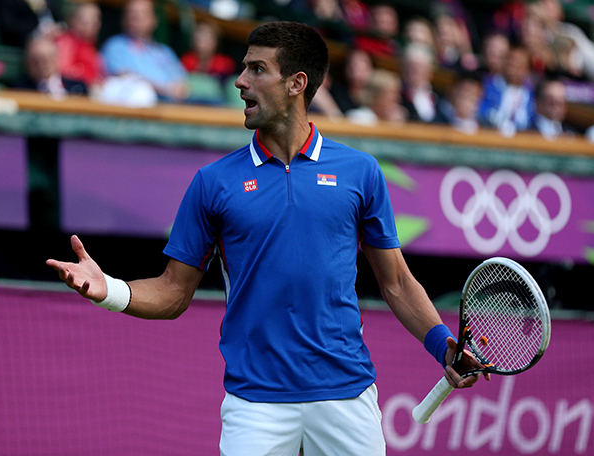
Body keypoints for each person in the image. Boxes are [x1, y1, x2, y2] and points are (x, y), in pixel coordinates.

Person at [47, 21, 487, 455]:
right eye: (243, 68)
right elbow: (172, 292)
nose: (240, 81)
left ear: (297, 83)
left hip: (346, 395)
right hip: (254, 404)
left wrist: (442, 345)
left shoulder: (362, 172)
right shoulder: (213, 183)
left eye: (257, 69)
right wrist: (111, 291)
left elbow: (397, 283)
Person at [100, 0, 188, 103]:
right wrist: (165, 90)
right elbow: (125, 78)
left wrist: (178, 90)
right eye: (131, 13)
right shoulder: (115, 46)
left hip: (174, 106)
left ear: (154, 19)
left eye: (142, 14)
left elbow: (183, 83)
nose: (135, 18)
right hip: (138, 106)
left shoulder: (165, 51)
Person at [15, 35, 87, 97]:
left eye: (47, 59)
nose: (41, 65)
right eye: (36, 60)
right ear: (28, 63)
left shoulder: (78, 87)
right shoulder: (20, 90)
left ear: (57, 58)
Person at [55, 2, 104, 90]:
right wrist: (88, 79)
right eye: (84, 21)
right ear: (72, 21)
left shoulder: (91, 46)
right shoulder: (66, 41)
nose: (89, 26)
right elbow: (63, 69)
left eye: (94, 21)